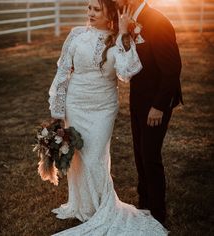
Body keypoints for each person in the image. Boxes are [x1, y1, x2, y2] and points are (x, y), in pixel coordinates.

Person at [47, 0, 167, 235]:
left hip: (103, 107)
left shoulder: (119, 39)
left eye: (96, 9)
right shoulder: (76, 34)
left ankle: (102, 207)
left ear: (108, 13)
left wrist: (123, 34)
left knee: (94, 158)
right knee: (79, 158)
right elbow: (62, 71)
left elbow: (127, 72)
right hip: (76, 103)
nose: (90, 13)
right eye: (89, 8)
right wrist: (57, 111)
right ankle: (84, 205)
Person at [112, 0, 183, 225]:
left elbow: (172, 69)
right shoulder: (127, 20)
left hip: (155, 104)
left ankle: (157, 214)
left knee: (150, 157)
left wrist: (159, 106)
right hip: (138, 100)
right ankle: (144, 205)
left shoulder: (158, 22)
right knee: (140, 156)